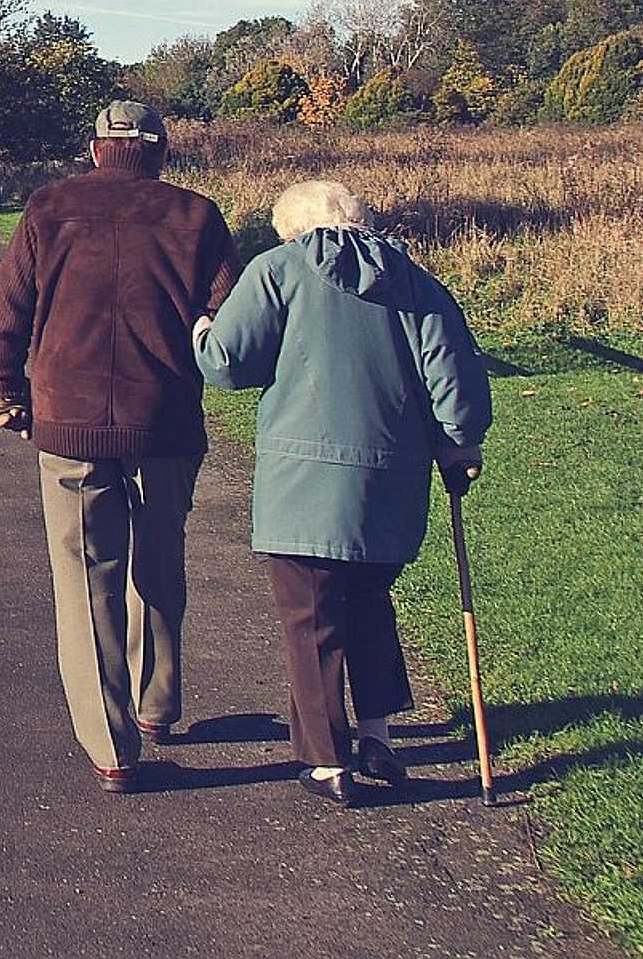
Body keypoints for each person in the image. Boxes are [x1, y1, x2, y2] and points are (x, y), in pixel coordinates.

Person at [193, 180, 491, 806]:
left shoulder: (277, 270)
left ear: (292, 231)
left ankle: (328, 761)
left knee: (310, 617)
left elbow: (227, 364)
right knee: (368, 602)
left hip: (301, 485)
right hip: (392, 482)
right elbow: (455, 385)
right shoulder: (416, 281)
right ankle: (378, 736)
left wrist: (201, 330)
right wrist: (460, 445)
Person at [0, 101, 239, 793]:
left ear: (96, 149)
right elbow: (228, 315)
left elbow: (6, 310)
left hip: (68, 421)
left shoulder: (48, 208)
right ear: (160, 151)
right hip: (166, 421)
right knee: (160, 562)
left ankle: (112, 747)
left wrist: (9, 391)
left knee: (85, 580)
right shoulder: (196, 215)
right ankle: (157, 705)